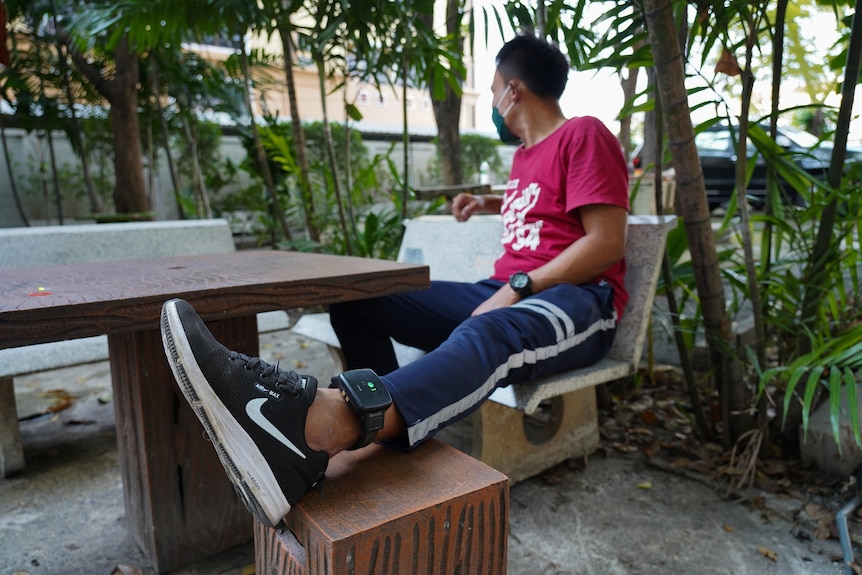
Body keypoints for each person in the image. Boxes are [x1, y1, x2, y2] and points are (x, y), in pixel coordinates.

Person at [159, 34, 629, 530]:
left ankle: (327, 425)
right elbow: (547, 203)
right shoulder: (524, 157)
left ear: (514, 90)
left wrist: (516, 286)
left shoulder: (585, 134)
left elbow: (604, 243)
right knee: (361, 300)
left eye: (493, 91)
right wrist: (487, 204)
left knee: (489, 332)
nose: (493, 102)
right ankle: (382, 425)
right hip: (508, 292)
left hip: (577, 302)